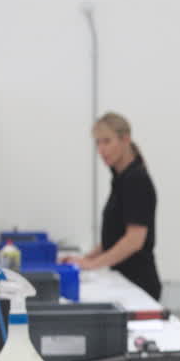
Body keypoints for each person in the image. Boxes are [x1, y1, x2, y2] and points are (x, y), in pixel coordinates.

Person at [65, 112, 162, 301]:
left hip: (139, 282)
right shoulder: (120, 179)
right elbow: (115, 237)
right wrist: (87, 258)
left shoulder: (136, 180)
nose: (101, 149)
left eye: (107, 142)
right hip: (123, 278)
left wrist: (92, 265)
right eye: (97, 143)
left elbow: (134, 240)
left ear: (125, 139)